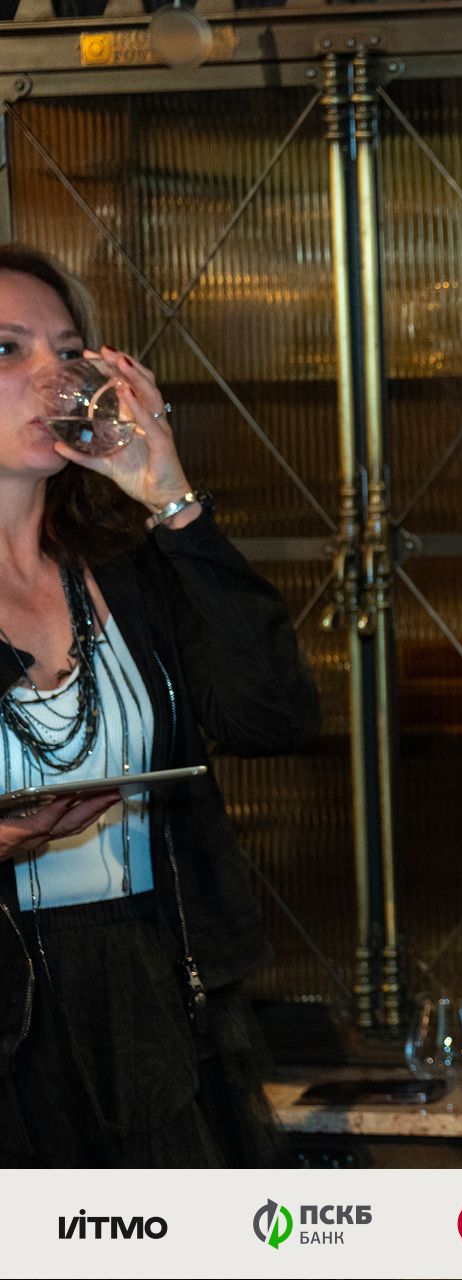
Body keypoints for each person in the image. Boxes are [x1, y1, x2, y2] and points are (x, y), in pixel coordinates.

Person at [0, 245, 320, 1166]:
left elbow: (274, 719)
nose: (53, 376)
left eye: (70, 351)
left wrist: (173, 503)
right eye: (7, 349)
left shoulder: (127, 566)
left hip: (151, 991)